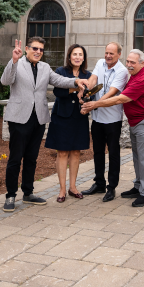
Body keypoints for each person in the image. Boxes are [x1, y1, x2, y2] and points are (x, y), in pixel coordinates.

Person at [0, 37, 90, 212]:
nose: (38, 52)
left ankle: (28, 192)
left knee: (32, 158)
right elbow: (5, 80)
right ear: (26, 49)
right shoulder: (17, 63)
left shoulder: (45, 67)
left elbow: (58, 81)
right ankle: (11, 195)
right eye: (35, 48)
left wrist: (76, 81)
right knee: (15, 159)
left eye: (41, 49)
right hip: (19, 118)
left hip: (39, 118)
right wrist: (14, 60)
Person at [82, 49, 144, 207]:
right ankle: (138, 187)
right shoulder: (135, 74)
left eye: (133, 62)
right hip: (136, 121)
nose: (129, 65)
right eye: (128, 62)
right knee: (138, 157)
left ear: (142, 63)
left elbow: (120, 99)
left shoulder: (143, 78)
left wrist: (94, 104)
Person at [80, 42, 130, 202]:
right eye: (106, 52)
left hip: (113, 120)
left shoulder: (122, 71)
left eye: (111, 54)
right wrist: (87, 88)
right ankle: (99, 183)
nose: (108, 56)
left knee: (114, 154)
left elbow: (112, 93)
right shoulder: (101, 63)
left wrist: (93, 105)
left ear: (119, 55)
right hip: (97, 119)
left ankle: (111, 187)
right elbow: (93, 78)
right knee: (98, 152)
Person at [45, 44, 92, 203]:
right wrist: (74, 88)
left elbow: (90, 93)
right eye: (74, 54)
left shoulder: (88, 74)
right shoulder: (60, 71)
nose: (77, 57)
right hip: (62, 116)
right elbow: (57, 92)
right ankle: (62, 189)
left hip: (79, 117)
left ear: (84, 58)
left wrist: (85, 99)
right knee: (63, 152)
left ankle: (73, 187)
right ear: (69, 56)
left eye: (80, 54)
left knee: (76, 152)